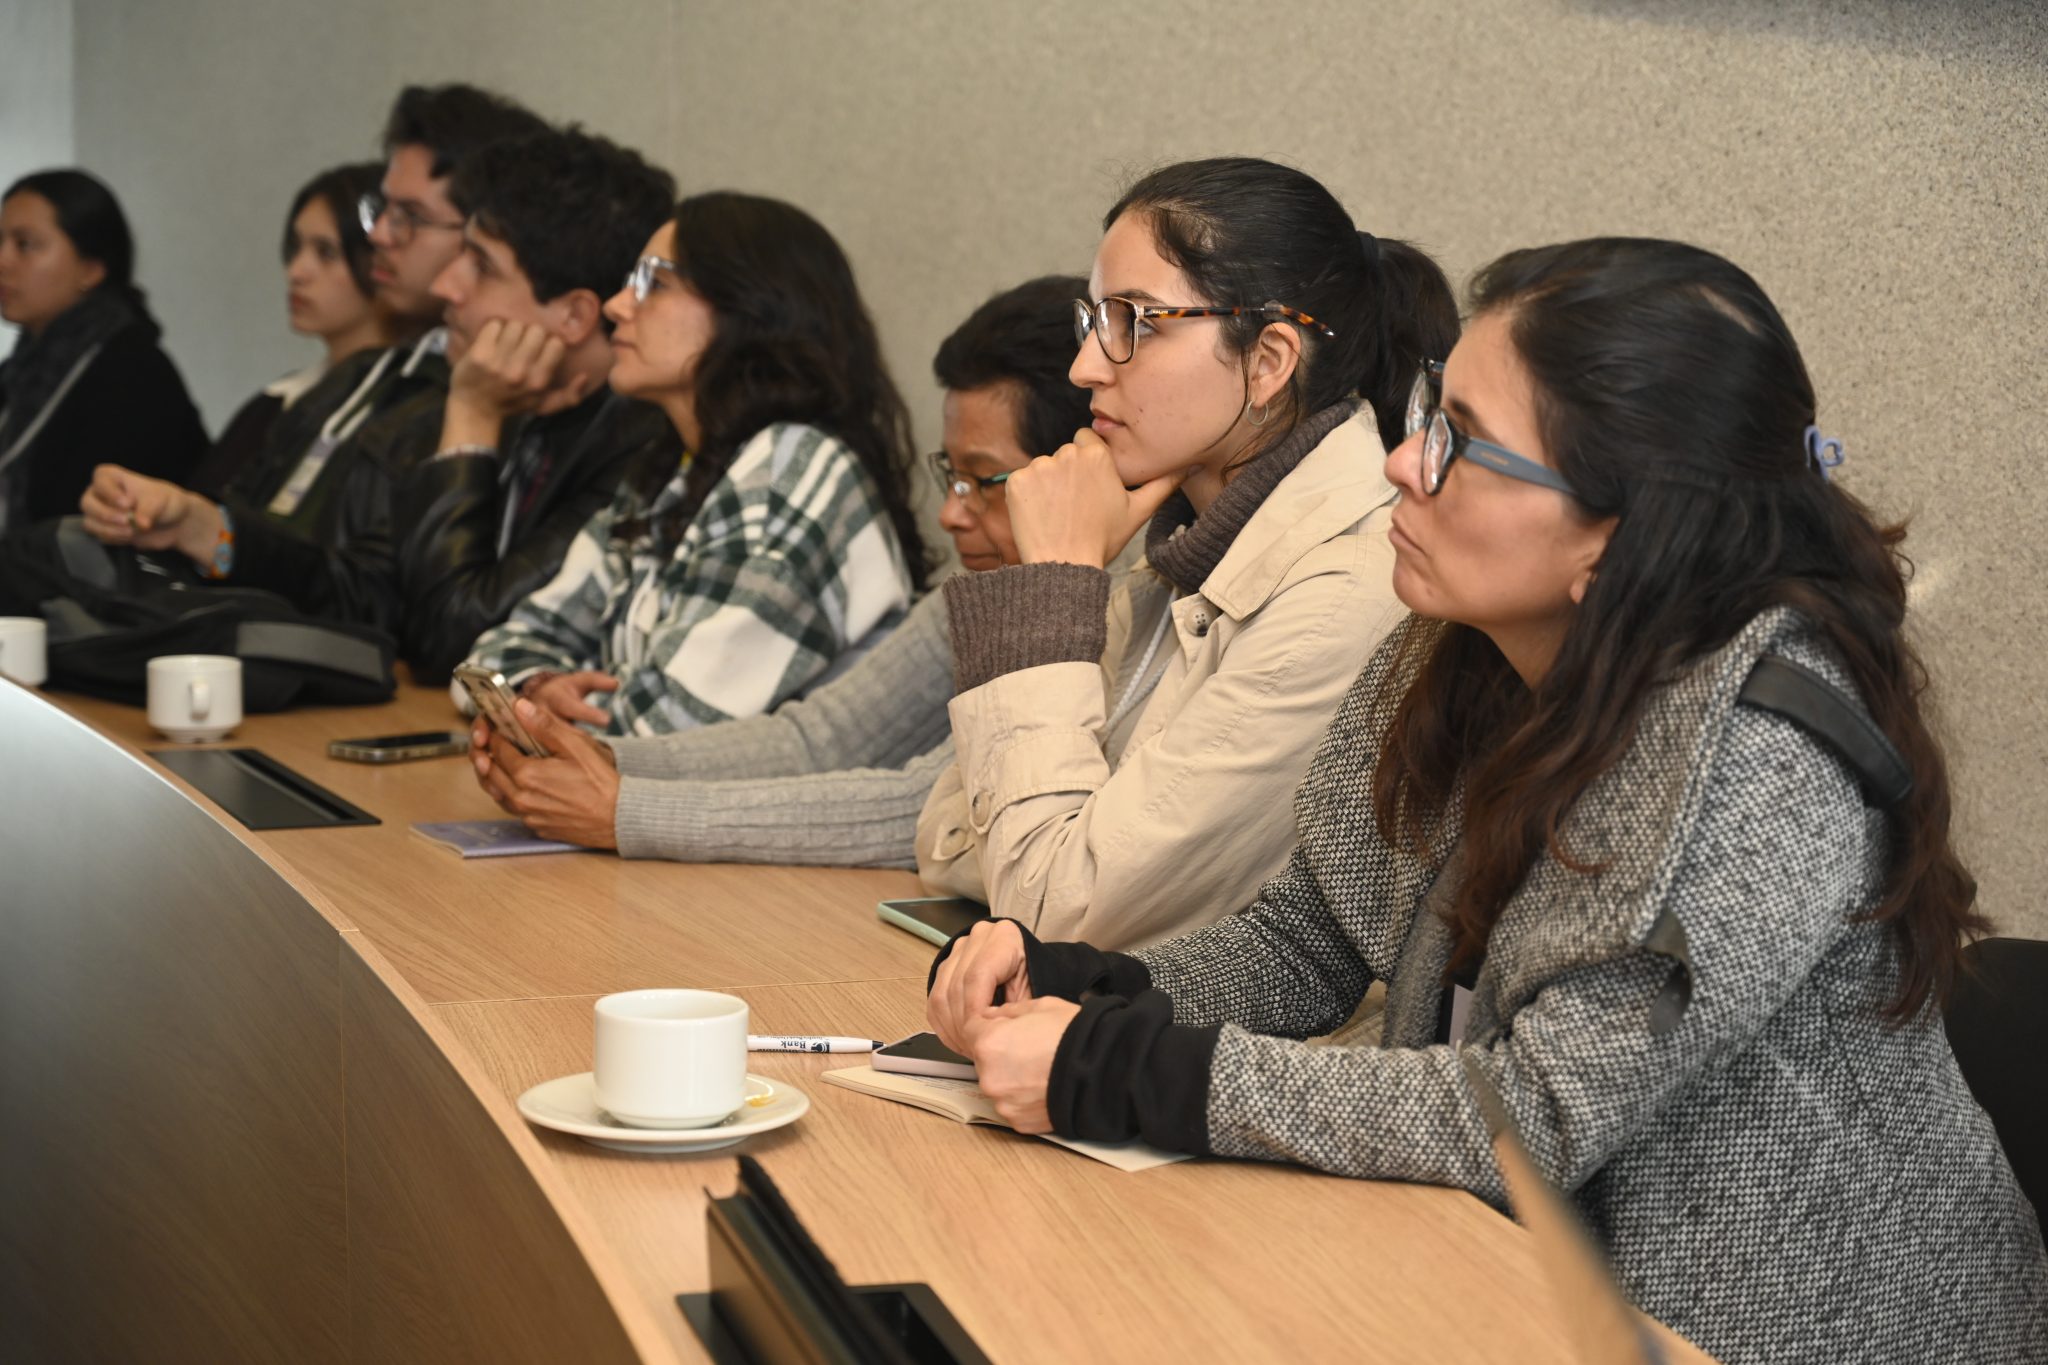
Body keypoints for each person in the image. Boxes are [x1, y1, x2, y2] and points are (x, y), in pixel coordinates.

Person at [927, 238, 2048, 1363]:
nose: (1401, 466)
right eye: (1429, 410)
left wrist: (1126, 1072)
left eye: (1461, 443)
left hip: (1759, 1336)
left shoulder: (1758, 747)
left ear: (1616, 534)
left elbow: (1531, 1114)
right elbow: (1307, 939)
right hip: (1504, 1287)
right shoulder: (1454, 639)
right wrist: (1087, 984)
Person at [914, 156, 1456, 950]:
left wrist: (1050, 592)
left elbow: (1057, 909)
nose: (1085, 366)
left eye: (1133, 322)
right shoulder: (1183, 545)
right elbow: (951, 842)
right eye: (1092, 320)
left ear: (1268, 361)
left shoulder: (1344, 594)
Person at [467, 275, 1093, 859]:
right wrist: (591, 754)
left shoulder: (1114, 597)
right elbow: (820, 739)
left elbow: (931, 811)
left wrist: (624, 807)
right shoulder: (992, 586)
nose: (950, 516)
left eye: (982, 481)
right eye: (950, 477)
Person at [74, 84, 550, 633]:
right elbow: (242, 512)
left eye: (410, 217)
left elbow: (390, 603)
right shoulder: (361, 374)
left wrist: (207, 531)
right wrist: (182, 519)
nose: (381, 237)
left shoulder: (492, 397)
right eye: (383, 210)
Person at [463, 191, 930, 736]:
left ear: (751, 307)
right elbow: (493, 654)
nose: (617, 306)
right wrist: (539, 687)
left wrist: (519, 718)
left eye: (654, 284)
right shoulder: (667, 474)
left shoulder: (792, 468)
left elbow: (672, 731)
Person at [392, 124, 678, 682]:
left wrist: (471, 418)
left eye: (482, 265)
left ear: (573, 316)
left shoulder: (644, 447)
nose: (445, 287)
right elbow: (382, 608)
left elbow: (451, 643)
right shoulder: (523, 401)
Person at [0, 169, 206, 538]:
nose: (3, 261)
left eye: (25, 245)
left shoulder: (133, 373)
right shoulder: (18, 372)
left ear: (90, 269)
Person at [187, 161, 394, 499]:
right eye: (295, 247)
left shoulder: (398, 415)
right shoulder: (276, 402)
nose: (296, 272)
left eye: (326, 252)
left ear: (382, 263)